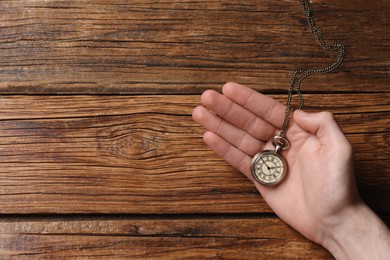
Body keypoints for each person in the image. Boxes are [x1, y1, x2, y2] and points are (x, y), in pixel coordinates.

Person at [192, 82, 390, 259]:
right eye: (269, 166)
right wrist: (342, 224)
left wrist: (340, 218)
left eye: (271, 167)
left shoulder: (278, 162)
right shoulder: (272, 159)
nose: (270, 167)